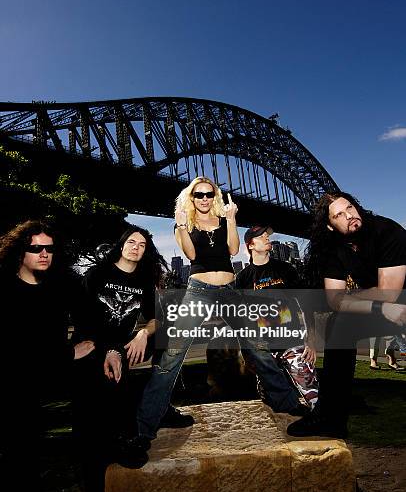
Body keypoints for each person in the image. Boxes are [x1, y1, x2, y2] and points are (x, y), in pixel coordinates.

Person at [122, 177, 308, 468]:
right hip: (199, 292)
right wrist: (181, 225)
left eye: (210, 194)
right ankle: (144, 429)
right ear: (192, 197)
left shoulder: (224, 220)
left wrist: (232, 219)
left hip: (230, 290)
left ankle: (287, 402)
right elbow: (192, 255)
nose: (205, 198)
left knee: (256, 347)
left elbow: (233, 251)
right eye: (199, 194)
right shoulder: (185, 223)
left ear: (215, 196)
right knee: (172, 355)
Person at [287, 192, 406, 438]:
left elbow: (389, 293)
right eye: (339, 214)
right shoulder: (334, 250)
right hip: (385, 307)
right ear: (330, 226)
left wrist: (361, 299)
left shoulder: (387, 231)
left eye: (350, 207)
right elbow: (333, 300)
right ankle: (330, 418)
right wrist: (376, 307)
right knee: (339, 325)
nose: (349, 215)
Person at [74, 225, 194, 467]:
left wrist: (142, 333)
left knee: (169, 337)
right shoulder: (97, 274)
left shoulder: (144, 281)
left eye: (142, 245)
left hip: (123, 344)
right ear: (121, 245)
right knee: (111, 388)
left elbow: (155, 319)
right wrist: (109, 350)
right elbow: (84, 320)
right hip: (91, 344)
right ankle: (118, 440)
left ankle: (161, 406)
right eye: (131, 242)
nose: (136, 247)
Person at [0, 220, 94, 492]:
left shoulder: (60, 286)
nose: (44, 254)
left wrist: (99, 346)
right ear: (19, 252)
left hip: (52, 374)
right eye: (36, 248)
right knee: (21, 462)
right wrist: (68, 353)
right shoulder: (4, 290)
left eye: (49, 248)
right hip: (14, 383)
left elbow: (91, 317)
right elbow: (13, 351)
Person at [236, 225, 317, 403]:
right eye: (260, 236)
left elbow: (306, 305)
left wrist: (310, 340)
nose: (266, 238)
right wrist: (247, 353)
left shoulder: (286, 269)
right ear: (250, 245)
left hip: (292, 344)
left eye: (267, 235)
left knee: (313, 396)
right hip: (263, 351)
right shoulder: (243, 278)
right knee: (274, 401)